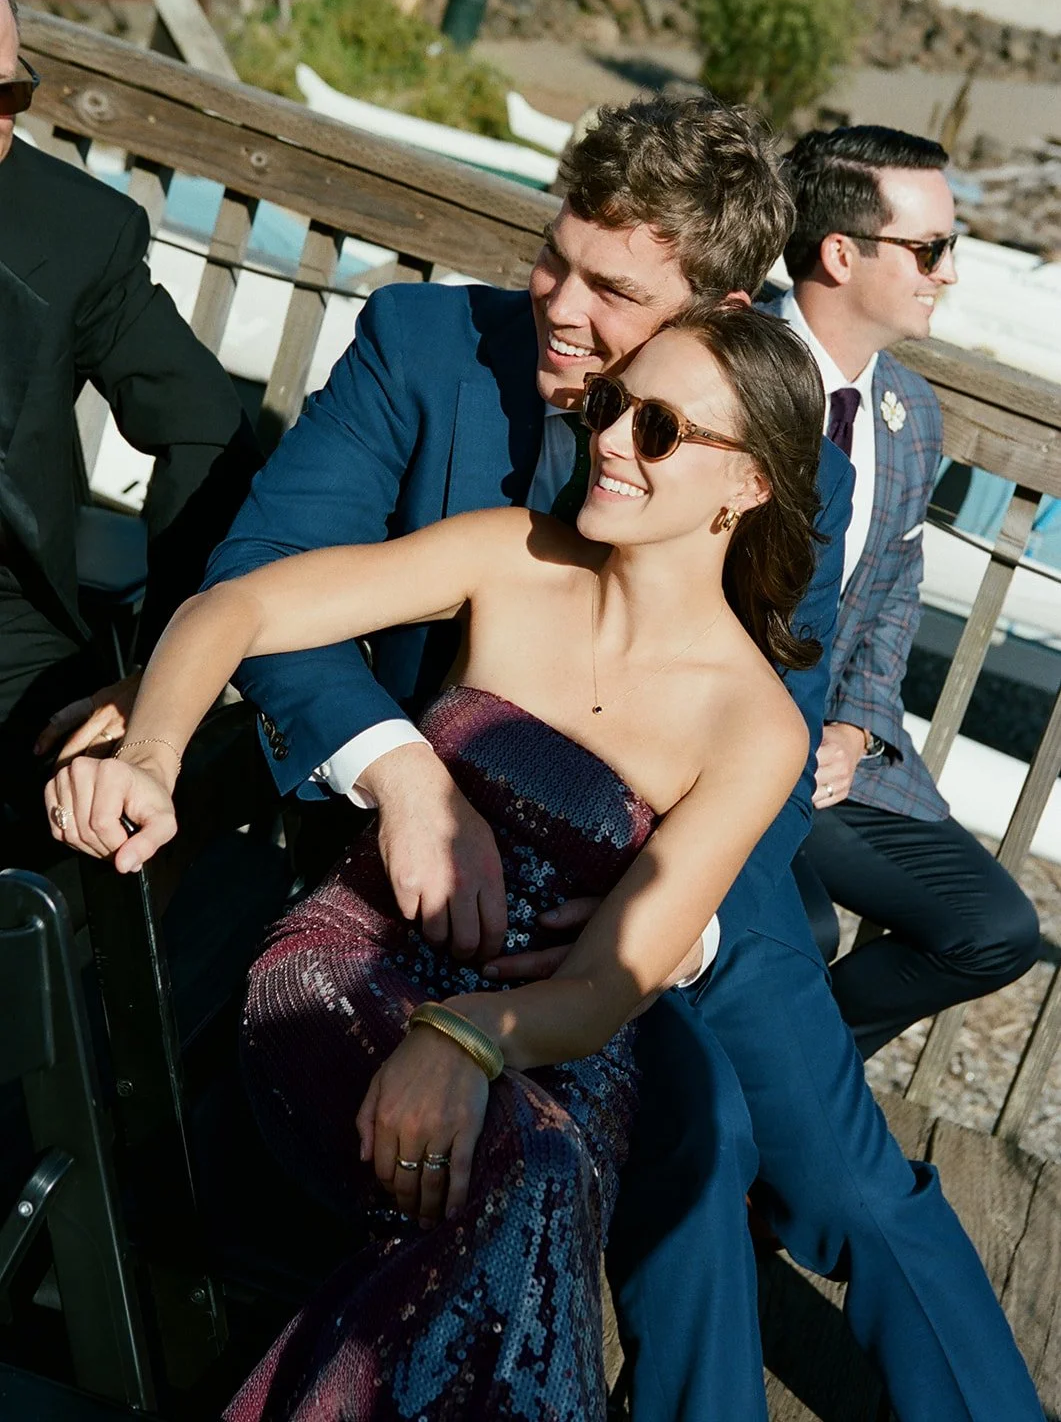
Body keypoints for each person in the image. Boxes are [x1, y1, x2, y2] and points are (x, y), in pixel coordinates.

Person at [199, 97, 1043, 1422]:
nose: (561, 307)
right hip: (452, 877)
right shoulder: (426, 347)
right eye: (555, 258)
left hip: (694, 906)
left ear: (715, 307)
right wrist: (401, 771)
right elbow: (262, 580)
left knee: (832, 1181)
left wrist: (669, 927)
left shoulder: (763, 451)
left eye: (616, 289)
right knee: (685, 1175)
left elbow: (778, 711)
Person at [47, 305, 824, 1420]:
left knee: (529, 1179)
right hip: (349, 970)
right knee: (521, 1193)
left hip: (546, 1053)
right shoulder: (508, 554)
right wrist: (152, 755)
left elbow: (607, 987)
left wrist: (464, 1039)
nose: (607, 439)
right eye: (610, 406)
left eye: (657, 429)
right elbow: (239, 605)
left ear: (745, 484)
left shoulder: (756, 727)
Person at [776, 126, 1040, 1058]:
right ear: (841, 254)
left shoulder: (910, 412)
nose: (949, 273)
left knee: (995, 931)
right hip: (715, 750)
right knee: (803, 939)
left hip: (836, 760)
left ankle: (799, 1076)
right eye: (930, 250)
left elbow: (890, 595)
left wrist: (850, 729)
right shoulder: (729, 374)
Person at [0, 0, 261, 890]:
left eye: (12, 90)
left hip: (7, 631)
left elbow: (204, 429)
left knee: (97, 832)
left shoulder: (75, 232)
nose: (1, 119)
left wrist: (157, 674)